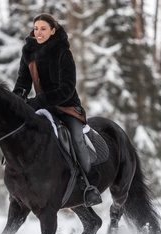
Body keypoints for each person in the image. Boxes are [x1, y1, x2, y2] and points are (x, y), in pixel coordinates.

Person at [13, 13, 102, 207]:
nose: (38, 32)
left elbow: (67, 89)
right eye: (36, 28)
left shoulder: (63, 53)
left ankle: (89, 186)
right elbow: (22, 82)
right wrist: (18, 98)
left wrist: (39, 101)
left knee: (77, 138)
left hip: (67, 107)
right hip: (41, 107)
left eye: (43, 29)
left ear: (53, 31)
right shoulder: (28, 52)